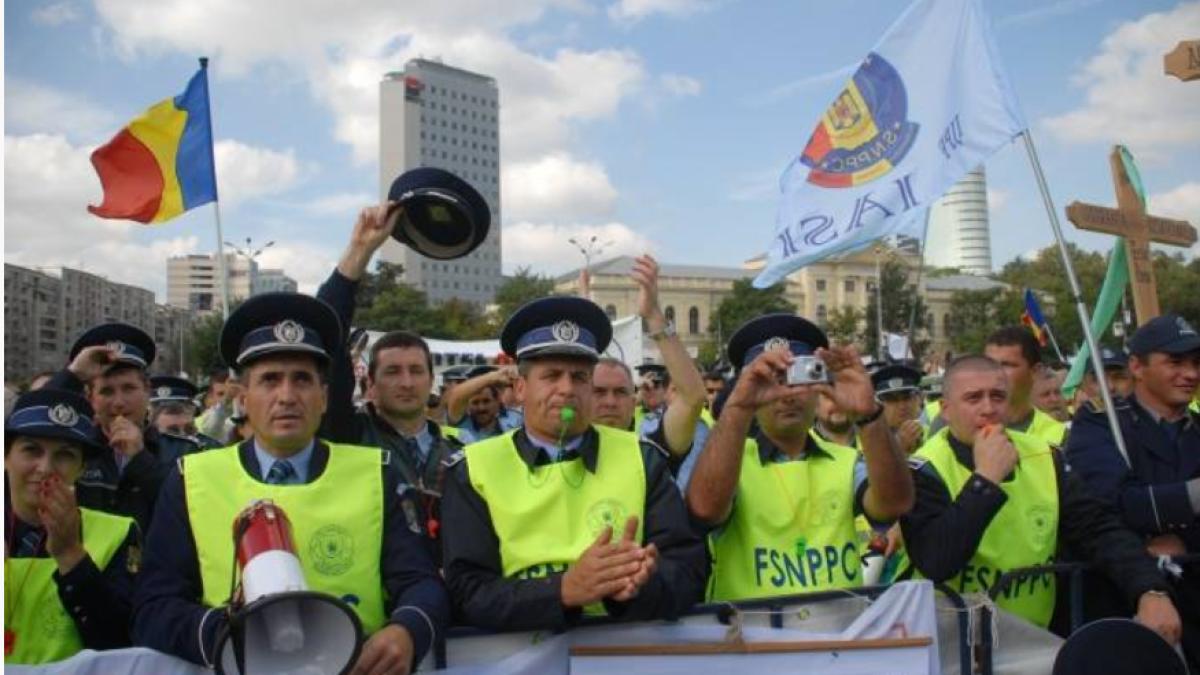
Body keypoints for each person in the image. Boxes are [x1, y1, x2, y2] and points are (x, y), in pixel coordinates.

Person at [133, 292, 449, 673]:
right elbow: (154, 608)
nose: (286, 396)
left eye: (301, 379)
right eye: (269, 380)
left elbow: (420, 581)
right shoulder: (191, 481)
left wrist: (408, 629)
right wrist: (235, 637)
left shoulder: (375, 475)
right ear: (244, 399)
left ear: (324, 397)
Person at [440, 296, 708, 630]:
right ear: (520, 388)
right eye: (551, 376)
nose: (567, 390)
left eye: (580, 378)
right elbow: (466, 593)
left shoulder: (642, 457)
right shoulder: (472, 469)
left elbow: (688, 567)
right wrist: (563, 590)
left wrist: (642, 584)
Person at [898, 355, 1180, 639]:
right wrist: (985, 481)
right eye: (973, 398)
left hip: (1032, 637)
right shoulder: (925, 468)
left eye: (997, 397)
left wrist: (1148, 589)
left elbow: (1097, 528)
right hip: (952, 641)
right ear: (945, 409)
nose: (988, 409)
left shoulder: (1045, 455)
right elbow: (937, 561)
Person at [686, 314, 914, 601]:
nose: (787, 395)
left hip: (838, 636)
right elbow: (705, 510)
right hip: (749, 636)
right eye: (772, 381)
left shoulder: (845, 461)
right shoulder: (730, 461)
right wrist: (738, 407)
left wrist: (869, 416)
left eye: (799, 377)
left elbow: (894, 505)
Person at [315, 204, 466, 558]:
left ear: (431, 380)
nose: (406, 382)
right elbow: (328, 338)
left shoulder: (461, 453)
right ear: (370, 383)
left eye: (416, 371)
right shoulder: (346, 434)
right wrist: (360, 251)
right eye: (392, 372)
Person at [1066, 315, 1200, 663]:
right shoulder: (1099, 423)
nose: (1190, 374)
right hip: (1124, 606)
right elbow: (1113, 506)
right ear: (1137, 367)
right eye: (1175, 362)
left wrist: (1182, 539)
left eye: (1196, 363)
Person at [5, 388, 139, 664]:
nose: (45, 468)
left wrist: (71, 556)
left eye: (64, 455)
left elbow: (121, 645)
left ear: (81, 468)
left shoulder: (119, 533)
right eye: (31, 450)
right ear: (5, 458)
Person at [45, 323, 201, 530]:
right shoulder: (76, 450)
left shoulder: (184, 450)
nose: (118, 402)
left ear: (147, 392)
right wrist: (73, 374)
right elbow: (31, 425)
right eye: (107, 391)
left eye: (129, 389)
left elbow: (193, 511)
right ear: (91, 398)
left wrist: (140, 459)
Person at [984, 326, 1066, 446]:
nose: (995, 373)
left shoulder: (1061, 437)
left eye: (1007, 365)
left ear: (1035, 372)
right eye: (989, 364)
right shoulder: (962, 432)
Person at [444, 365, 523, 442]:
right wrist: (492, 377)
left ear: (497, 400)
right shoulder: (462, 423)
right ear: (468, 405)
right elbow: (456, 397)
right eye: (475, 403)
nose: (481, 407)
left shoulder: (516, 420)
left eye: (486, 401)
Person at [148, 375, 221, 448]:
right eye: (173, 432)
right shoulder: (141, 456)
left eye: (189, 430)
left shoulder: (211, 449)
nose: (183, 436)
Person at [872, 364, 926, 455]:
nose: (902, 406)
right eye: (892, 399)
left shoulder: (933, 432)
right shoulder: (870, 441)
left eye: (907, 397)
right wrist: (899, 450)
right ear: (878, 404)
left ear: (917, 399)